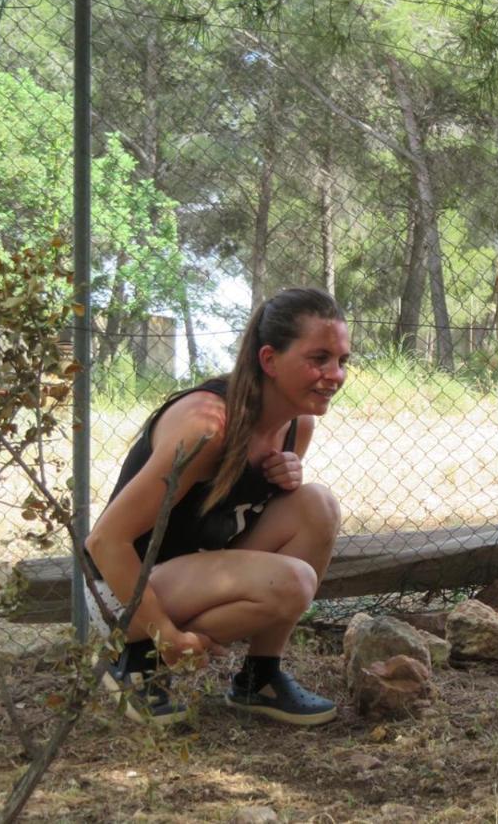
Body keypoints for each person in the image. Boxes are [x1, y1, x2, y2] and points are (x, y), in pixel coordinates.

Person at [85, 287, 350, 726]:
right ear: (269, 360)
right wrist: (165, 636)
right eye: (318, 358)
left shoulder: (297, 423)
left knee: (317, 504)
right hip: (121, 585)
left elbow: (254, 509)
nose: (335, 374)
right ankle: (137, 663)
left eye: (342, 361)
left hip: (197, 570)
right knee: (291, 583)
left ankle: (259, 679)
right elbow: (105, 541)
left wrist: (287, 477)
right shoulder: (206, 425)